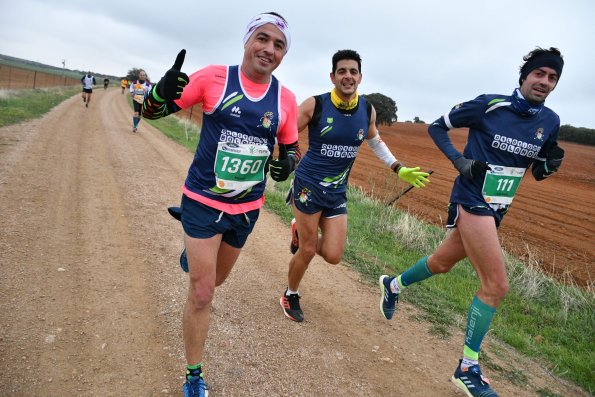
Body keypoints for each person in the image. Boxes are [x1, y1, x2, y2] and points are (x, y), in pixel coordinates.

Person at [378, 47, 565, 397]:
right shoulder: (489, 106)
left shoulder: (550, 121)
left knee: (441, 262)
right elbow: (437, 127)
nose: (545, 81)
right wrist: (460, 162)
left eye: (552, 77)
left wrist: (550, 165)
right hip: (471, 200)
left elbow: (538, 171)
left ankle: (393, 285)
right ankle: (467, 368)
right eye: (539, 74)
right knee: (496, 285)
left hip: (497, 208)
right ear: (524, 76)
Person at [142, 12, 299, 397]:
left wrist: (288, 162)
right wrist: (160, 92)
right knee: (203, 292)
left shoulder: (285, 99)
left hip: (246, 209)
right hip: (201, 200)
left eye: (279, 45)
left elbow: (291, 144)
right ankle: (194, 376)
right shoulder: (214, 78)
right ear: (247, 40)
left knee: (218, 280)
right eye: (263, 38)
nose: (269, 49)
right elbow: (150, 112)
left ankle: (192, 257)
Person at [279, 49, 430, 323]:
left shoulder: (366, 109)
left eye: (353, 71)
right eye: (342, 71)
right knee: (309, 249)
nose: (347, 76)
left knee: (335, 255)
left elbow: (374, 140)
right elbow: (286, 133)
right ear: (332, 77)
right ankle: (290, 293)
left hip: (337, 192)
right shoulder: (316, 105)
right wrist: (287, 158)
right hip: (308, 187)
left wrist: (399, 168)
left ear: (360, 76)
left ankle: (299, 232)